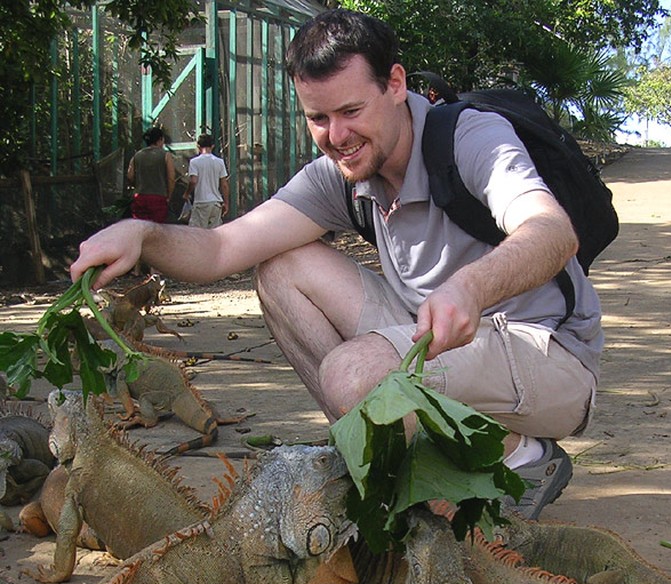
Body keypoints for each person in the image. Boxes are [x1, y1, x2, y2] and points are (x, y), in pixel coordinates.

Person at [71, 9, 602, 520]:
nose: (337, 136)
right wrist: (142, 234)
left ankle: (521, 454)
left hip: (546, 356)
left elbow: (553, 232)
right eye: (318, 118)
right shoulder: (339, 172)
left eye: (351, 112)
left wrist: (472, 286)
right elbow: (221, 249)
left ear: (395, 84)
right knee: (280, 268)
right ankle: (391, 463)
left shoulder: (469, 136)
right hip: (439, 342)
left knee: (351, 374)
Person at [127, 126, 176, 224]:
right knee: (157, 230)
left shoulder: (137, 155)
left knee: (141, 229)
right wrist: (168, 196)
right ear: (160, 139)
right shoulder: (166, 155)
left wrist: (137, 185)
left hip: (140, 197)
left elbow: (130, 176)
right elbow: (171, 178)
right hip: (158, 198)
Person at [183, 134, 230, 228]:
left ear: (198, 146)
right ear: (212, 146)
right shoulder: (219, 162)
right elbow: (224, 185)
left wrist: (187, 193)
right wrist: (226, 202)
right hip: (216, 203)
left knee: (198, 234)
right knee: (214, 233)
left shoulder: (194, 162)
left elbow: (193, 181)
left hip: (201, 202)